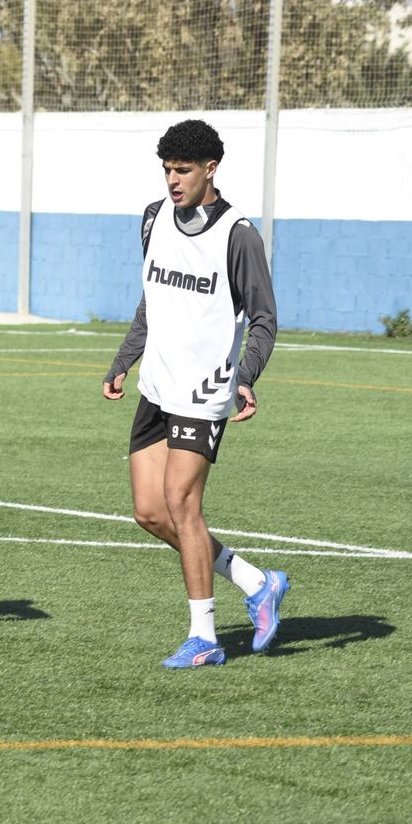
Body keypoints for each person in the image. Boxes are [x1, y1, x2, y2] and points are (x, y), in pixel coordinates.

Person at [103, 119, 289, 668]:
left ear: (211, 169)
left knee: (183, 505)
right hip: (155, 386)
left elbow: (264, 319)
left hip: (204, 391)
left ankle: (204, 636)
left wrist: (247, 375)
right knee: (149, 512)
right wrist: (123, 360)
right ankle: (258, 582)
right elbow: (151, 301)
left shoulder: (238, 233)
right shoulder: (153, 218)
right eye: (166, 169)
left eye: (182, 170)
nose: (172, 180)